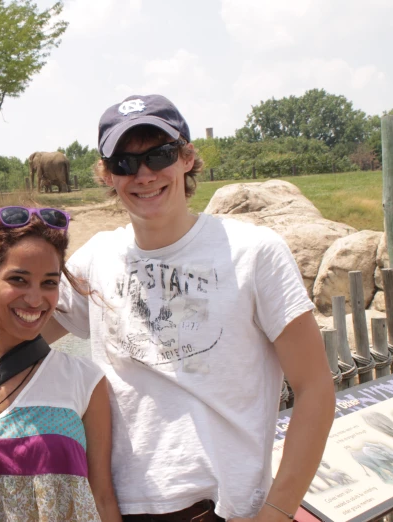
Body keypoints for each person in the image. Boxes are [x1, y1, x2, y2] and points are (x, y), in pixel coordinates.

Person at [41, 94, 336, 522]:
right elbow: (16, 340)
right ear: (106, 174)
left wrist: (276, 512)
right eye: (124, 162)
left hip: (225, 508)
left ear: (186, 157)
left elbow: (315, 389)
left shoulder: (253, 253)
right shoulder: (96, 259)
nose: (143, 175)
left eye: (158, 155)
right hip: (119, 507)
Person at [0, 206, 122, 522]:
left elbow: (102, 497)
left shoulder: (85, 380)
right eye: (19, 280)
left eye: (49, 283)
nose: (36, 299)